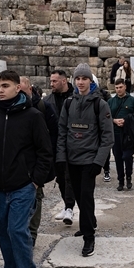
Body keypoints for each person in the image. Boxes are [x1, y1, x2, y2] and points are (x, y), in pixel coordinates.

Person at [0, 70, 53, 268]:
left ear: (17, 88)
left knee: (17, 230)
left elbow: (45, 151)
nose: (0, 90)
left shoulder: (32, 116)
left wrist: (36, 180)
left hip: (23, 185)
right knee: (3, 231)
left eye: (5, 85)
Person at [57, 63, 113, 258]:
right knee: (79, 197)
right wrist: (61, 158)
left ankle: (89, 236)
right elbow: (62, 131)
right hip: (72, 160)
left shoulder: (100, 104)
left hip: (89, 160)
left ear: (91, 81)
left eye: (84, 78)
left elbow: (107, 137)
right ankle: (88, 224)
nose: (80, 82)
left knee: (86, 198)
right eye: (78, 79)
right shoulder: (68, 103)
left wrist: (98, 162)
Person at [19, 76, 57, 246]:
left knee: (36, 197)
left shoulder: (43, 107)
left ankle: (31, 235)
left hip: (36, 163)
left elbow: (53, 137)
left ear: (30, 89)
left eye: (22, 90)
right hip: (17, 164)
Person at [48, 69, 76, 224]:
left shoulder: (75, 97)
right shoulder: (49, 100)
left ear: (64, 81)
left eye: (54, 81)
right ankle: (67, 206)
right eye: (51, 81)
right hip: (56, 145)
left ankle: (70, 208)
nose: (51, 84)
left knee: (70, 176)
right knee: (60, 177)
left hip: (73, 144)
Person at [107, 78, 134, 191]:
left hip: (128, 134)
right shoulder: (111, 102)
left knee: (127, 156)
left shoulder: (132, 100)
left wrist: (126, 120)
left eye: (120, 87)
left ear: (125, 87)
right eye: (117, 88)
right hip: (116, 134)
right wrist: (114, 121)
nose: (119, 90)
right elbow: (105, 116)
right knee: (118, 158)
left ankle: (128, 176)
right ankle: (120, 181)